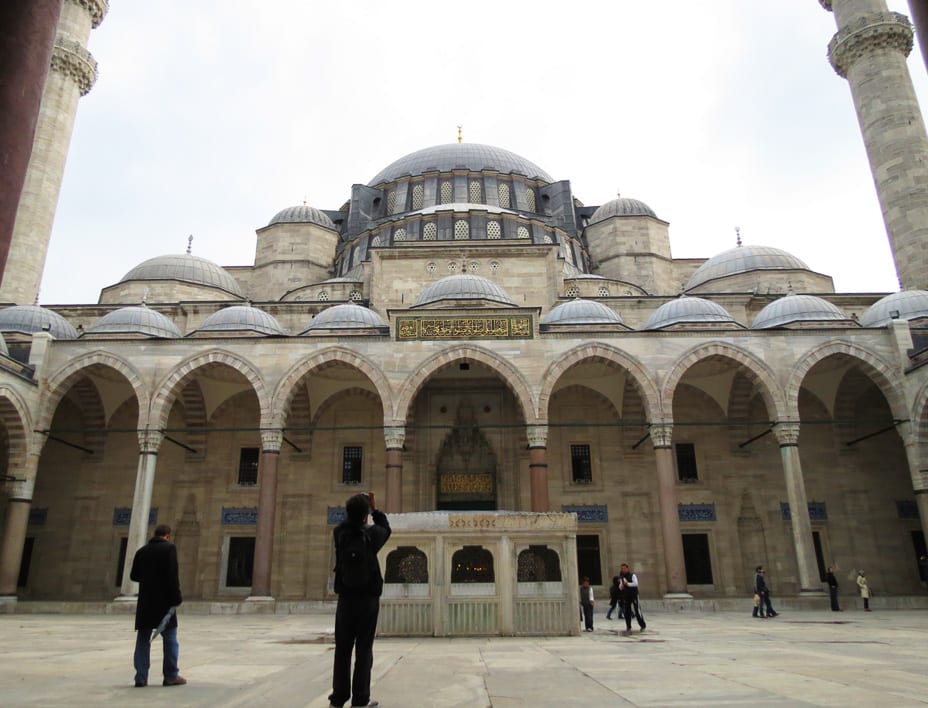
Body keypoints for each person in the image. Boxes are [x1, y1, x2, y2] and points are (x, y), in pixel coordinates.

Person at [329, 492, 391, 708]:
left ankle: (338, 699)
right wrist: (374, 510)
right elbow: (386, 527)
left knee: (342, 650)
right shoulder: (371, 535)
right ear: (365, 515)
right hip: (367, 600)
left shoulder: (339, 533)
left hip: (345, 599)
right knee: (364, 650)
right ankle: (360, 700)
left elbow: (346, 525)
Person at [129, 523, 185, 688]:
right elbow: (172, 576)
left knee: (142, 640)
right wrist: (176, 598)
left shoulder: (142, 551)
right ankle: (170, 676)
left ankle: (140, 677)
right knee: (170, 640)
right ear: (167, 535)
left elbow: (134, 576)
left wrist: (149, 580)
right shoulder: (169, 549)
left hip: (146, 602)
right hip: (164, 602)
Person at [618, 562, 646, 634]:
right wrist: (621, 587)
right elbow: (621, 585)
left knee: (637, 611)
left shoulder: (632, 575)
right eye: (622, 569)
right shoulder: (621, 577)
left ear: (627, 568)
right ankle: (628, 626)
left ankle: (642, 625)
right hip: (626, 595)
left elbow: (636, 583)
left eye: (624, 568)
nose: (623, 570)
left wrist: (628, 584)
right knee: (627, 611)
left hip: (634, 595)